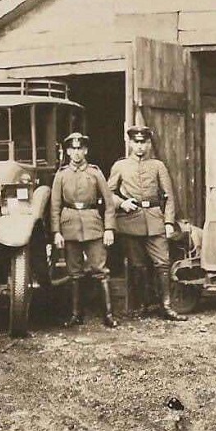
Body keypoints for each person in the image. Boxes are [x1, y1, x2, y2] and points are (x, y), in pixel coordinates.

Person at [109, 125, 186, 321]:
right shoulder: (120, 166)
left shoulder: (158, 166)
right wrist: (122, 203)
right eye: (136, 142)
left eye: (143, 142)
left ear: (149, 144)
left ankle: (166, 306)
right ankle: (141, 306)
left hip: (154, 219)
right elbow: (108, 193)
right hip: (130, 221)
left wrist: (168, 222)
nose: (140, 146)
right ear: (130, 143)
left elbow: (169, 196)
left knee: (162, 263)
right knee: (137, 265)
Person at [51, 131, 118, 328]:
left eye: (80, 148)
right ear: (68, 152)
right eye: (73, 149)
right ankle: (76, 315)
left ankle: (108, 315)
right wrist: (56, 232)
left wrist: (109, 228)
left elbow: (109, 203)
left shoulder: (95, 173)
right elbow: (55, 206)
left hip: (92, 224)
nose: (77, 152)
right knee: (74, 272)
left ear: (86, 150)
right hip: (69, 225)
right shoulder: (61, 175)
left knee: (100, 270)